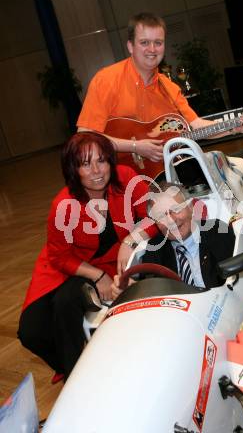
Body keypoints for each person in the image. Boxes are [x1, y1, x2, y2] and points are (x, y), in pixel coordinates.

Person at [18, 132, 154, 380]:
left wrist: (131, 238)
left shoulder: (125, 178)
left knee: (65, 304)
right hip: (66, 265)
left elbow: (154, 215)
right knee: (31, 332)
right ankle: (67, 363)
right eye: (85, 164)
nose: (96, 170)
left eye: (101, 160)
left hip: (110, 263)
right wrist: (98, 275)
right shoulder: (63, 205)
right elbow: (59, 257)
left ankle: (76, 376)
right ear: (73, 169)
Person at [77, 11, 243, 171]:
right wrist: (135, 146)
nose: (152, 49)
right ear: (130, 46)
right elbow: (85, 136)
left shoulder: (170, 88)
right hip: (115, 175)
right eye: (144, 42)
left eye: (158, 42)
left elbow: (195, 125)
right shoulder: (106, 80)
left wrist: (235, 127)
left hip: (160, 175)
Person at [111, 182, 235, 299]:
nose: (170, 221)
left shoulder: (218, 232)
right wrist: (133, 290)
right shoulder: (155, 249)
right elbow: (151, 290)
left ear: (191, 207)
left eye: (176, 209)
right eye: (161, 216)